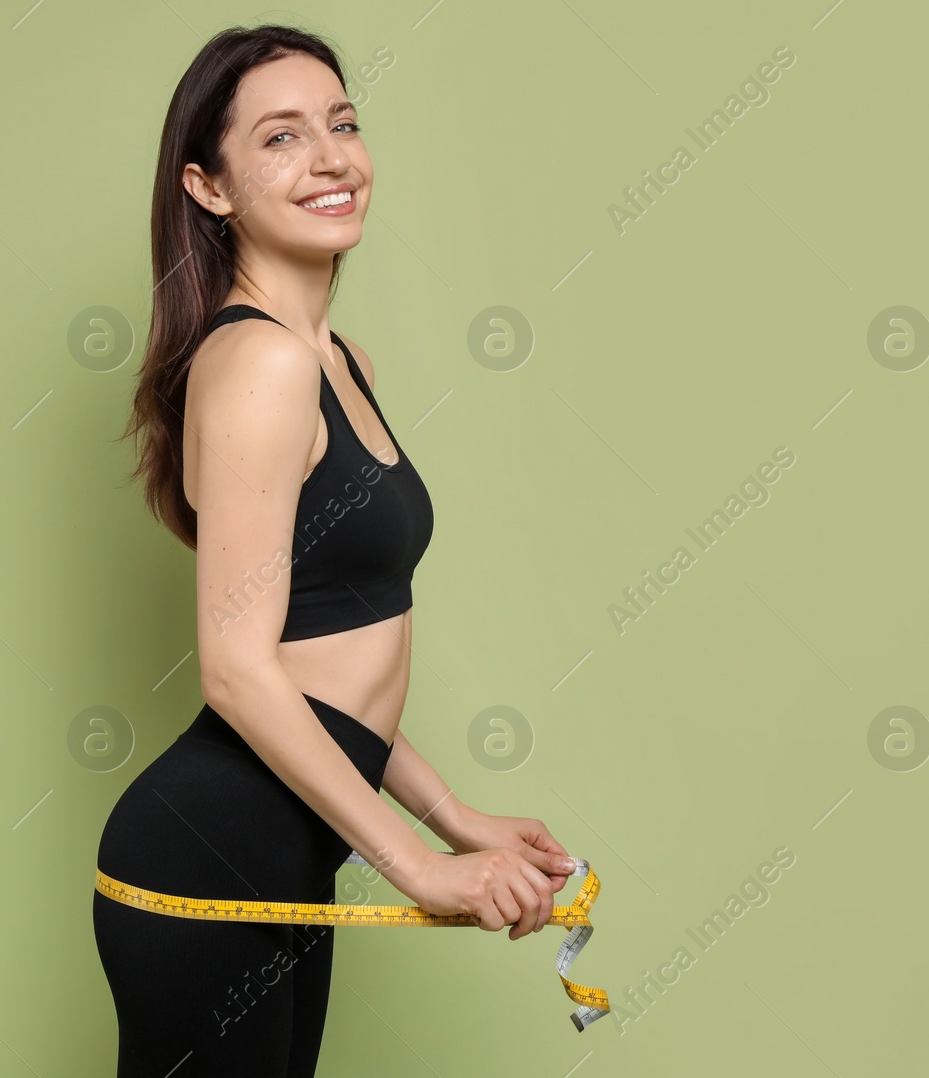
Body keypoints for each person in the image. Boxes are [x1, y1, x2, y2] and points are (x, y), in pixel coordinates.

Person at [95, 24, 576, 1076]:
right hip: (204, 864)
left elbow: (328, 667)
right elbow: (237, 668)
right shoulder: (260, 362)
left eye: (343, 124)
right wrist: (414, 866)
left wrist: (456, 820)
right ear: (208, 187)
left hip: (276, 860)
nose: (330, 158)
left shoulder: (334, 356)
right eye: (280, 137)